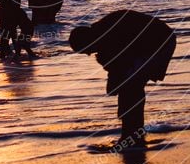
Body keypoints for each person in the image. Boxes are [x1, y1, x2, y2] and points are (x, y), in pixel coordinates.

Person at [69, 10, 176, 150]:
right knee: (131, 86)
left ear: (88, 40)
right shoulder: (103, 35)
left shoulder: (108, 37)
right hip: (154, 42)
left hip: (159, 42)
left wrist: (115, 81)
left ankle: (132, 136)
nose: (89, 54)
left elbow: (117, 75)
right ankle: (131, 133)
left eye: (86, 50)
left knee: (132, 87)